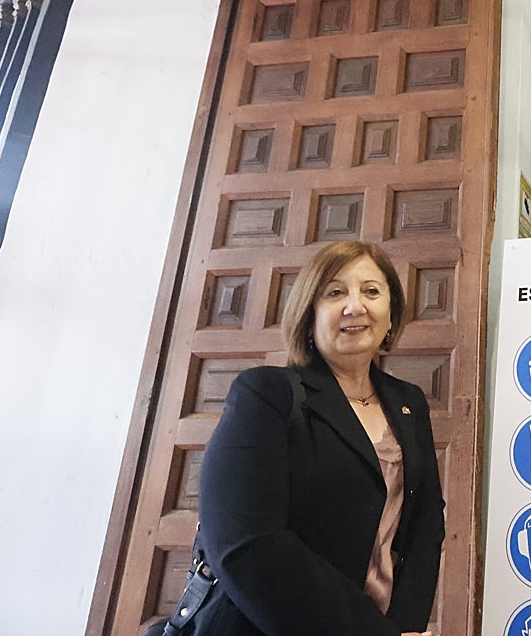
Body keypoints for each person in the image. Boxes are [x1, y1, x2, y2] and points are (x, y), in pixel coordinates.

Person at [189, 240, 445, 636]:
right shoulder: (266, 394)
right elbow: (246, 544)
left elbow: (426, 527)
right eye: (335, 292)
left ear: (391, 314)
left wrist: (402, 628)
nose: (355, 306)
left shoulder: (409, 403)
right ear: (309, 315)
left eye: (372, 291)